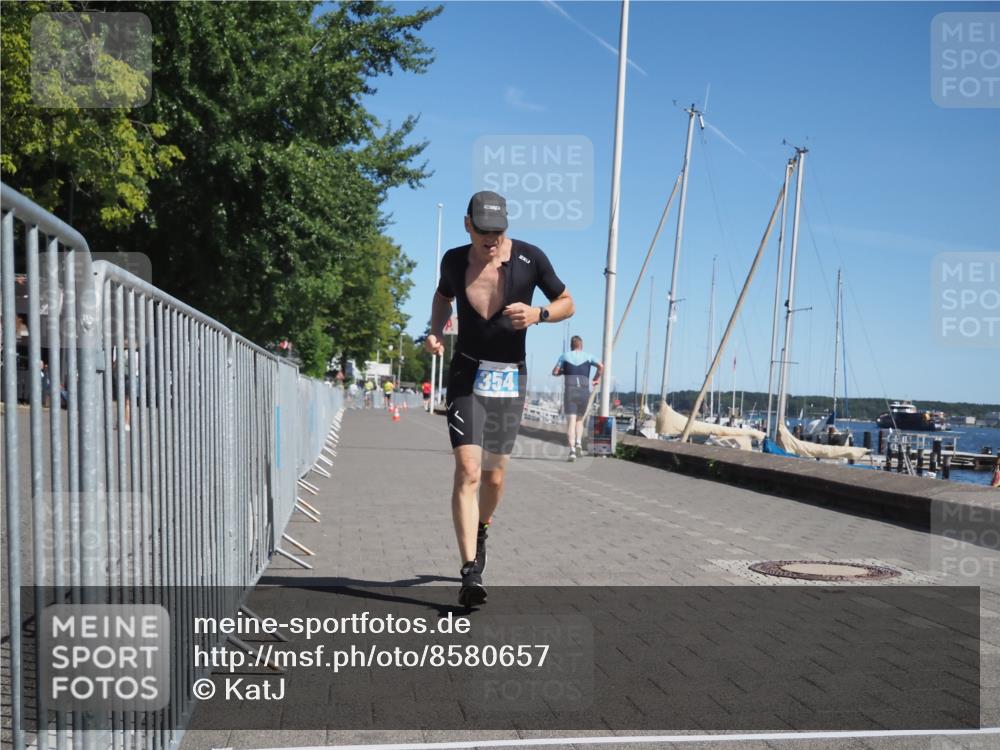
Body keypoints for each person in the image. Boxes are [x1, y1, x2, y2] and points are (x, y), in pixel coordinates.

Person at [424, 191, 574, 607]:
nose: (492, 240)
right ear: (468, 224)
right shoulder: (454, 261)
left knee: (493, 477)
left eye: (499, 231)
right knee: (469, 470)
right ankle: (470, 571)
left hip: (510, 376)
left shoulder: (529, 258)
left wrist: (539, 314)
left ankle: (483, 526)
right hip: (466, 373)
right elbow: (442, 297)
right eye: (484, 231)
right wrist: (436, 331)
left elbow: (568, 302)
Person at [552, 336, 603, 461]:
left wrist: (563, 371)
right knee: (580, 420)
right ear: (581, 345)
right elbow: (601, 366)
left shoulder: (564, 356)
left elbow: (555, 372)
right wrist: (596, 378)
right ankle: (579, 443)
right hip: (584, 390)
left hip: (570, 390)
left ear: (571, 345)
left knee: (571, 422)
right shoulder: (589, 356)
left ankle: (572, 451)